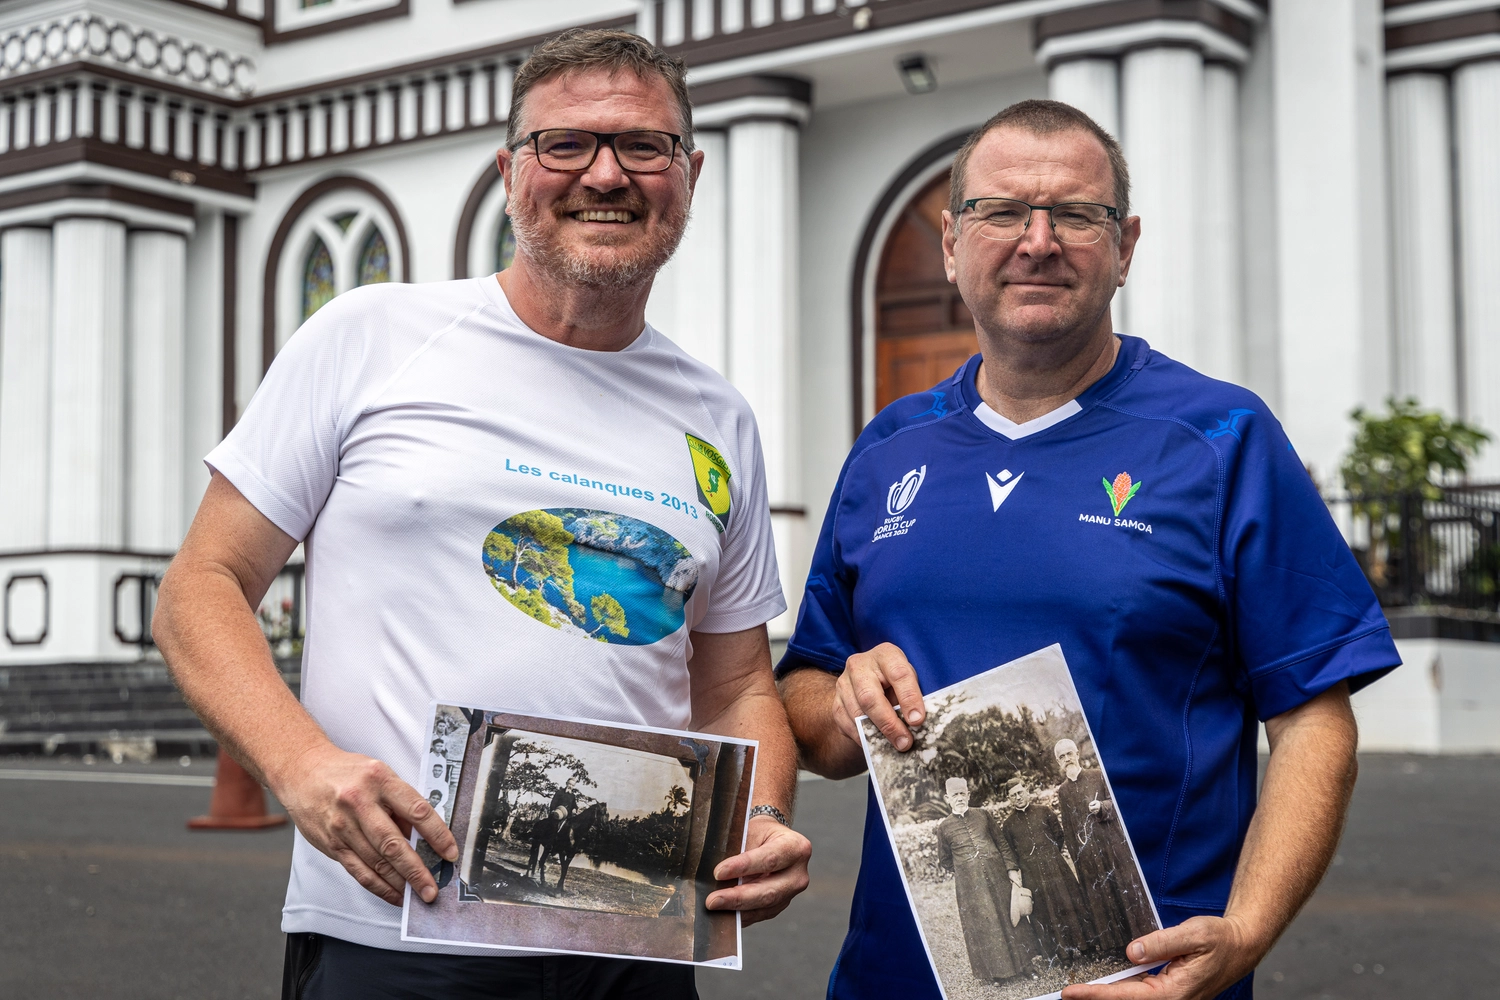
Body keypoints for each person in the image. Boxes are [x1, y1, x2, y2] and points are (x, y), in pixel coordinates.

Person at [154, 27, 810, 1000]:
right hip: (392, 933)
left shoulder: (718, 419)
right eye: (565, 143)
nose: (606, 173)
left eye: (643, 145)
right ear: (510, 170)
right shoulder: (371, 337)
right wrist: (300, 765)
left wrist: (761, 813)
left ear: (690, 172)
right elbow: (200, 587)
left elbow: (737, 684)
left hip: (629, 948)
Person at [777, 98, 1400, 1000]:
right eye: (1002, 212)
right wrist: (842, 700)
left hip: (1144, 978)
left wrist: (1248, 931)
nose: (1039, 241)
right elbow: (809, 703)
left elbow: (1312, 718)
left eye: (1076, 213)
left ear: (1125, 244)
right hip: (892, 977)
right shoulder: (888, 448)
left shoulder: (1220, 437)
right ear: (951, 243)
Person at [933, 777, 1039, 984]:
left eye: (962, 794)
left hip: (998, 876)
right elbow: (945, 860)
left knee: (1012, 918)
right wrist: (967, 871)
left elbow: (1002, 844)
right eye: (955, 795)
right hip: (971, 887)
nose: (960, 798)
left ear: (968, 795)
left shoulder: (983, 815)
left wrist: (1010, 869)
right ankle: (997, 973)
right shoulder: (944, 828)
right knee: (984, 926)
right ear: (948, 799)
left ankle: (1027, 966)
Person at [1053, 740, 1154, 950]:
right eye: (1061, 757)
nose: (1066, 759)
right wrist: (1077, 857)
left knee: (1122, 888)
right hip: (1087, 854)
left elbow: (1117, 804)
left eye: (1069, 754)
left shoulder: (1098, 774)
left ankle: (1139, 936)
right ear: (1058, 762)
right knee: (1101, 895)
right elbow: (1069, 828)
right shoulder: (1062, 791)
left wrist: (1101, 806)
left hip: (1111, 844)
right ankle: (1117, 945)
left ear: (1078, 753)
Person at [998, 777, 1095, 964]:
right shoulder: (1008, 825)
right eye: (1013, 796)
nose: (1018, 797)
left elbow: (1058, 836)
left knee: (1068, 904)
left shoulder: (1044, 812)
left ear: (1026, 791)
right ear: (1009, 799)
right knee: (1045, 912)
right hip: (1031, 873)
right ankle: (1062, 954)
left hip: (1055, 867)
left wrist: (1049, 856)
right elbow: (1010, 851)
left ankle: (1085, 947)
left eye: (1020, 792)